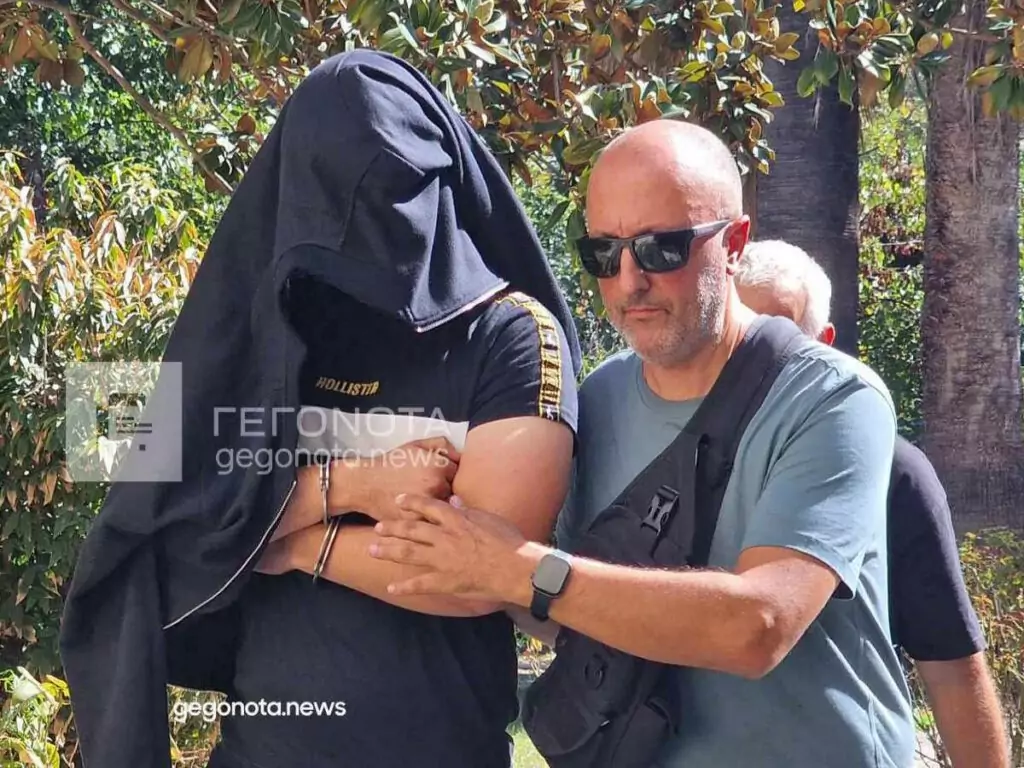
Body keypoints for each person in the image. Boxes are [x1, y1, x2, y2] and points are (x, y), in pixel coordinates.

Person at [59, 50, 581, 768]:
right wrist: (349, 486)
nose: (361, 239)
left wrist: (282, 543)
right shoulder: (271, 327)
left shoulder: (511, 335)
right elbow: (157, 522)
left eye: (387, 198)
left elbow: (478, 576)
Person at [364, 118, 918, 767]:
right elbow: (562, 606)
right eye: (604, 253)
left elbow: (758, 626)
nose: (629, 281)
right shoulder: (597, 398)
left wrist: (516, 568)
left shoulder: (834, 398)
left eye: (661, 249)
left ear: (735, 243)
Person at [735, 238, 1010, 768]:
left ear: (824, 342)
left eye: (780, 337)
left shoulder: (893, 470)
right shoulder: (660, 440)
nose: (753, 360)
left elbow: (950, 663)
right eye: (743, 336)